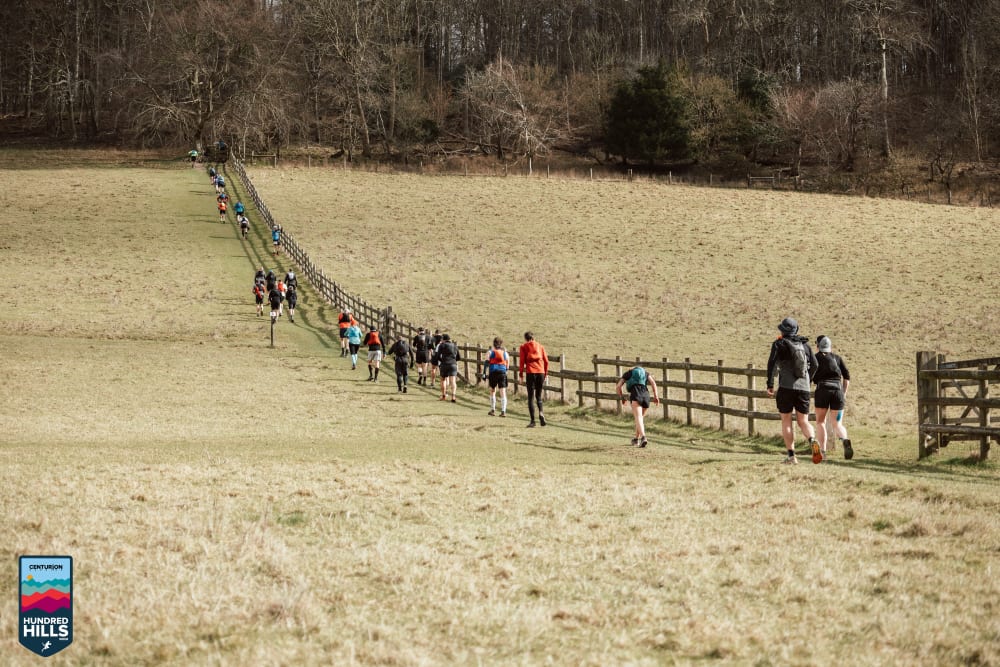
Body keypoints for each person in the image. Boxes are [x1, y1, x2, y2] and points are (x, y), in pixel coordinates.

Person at [766, 317, 818, 464]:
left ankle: (791, 456)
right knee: (803, 421)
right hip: (804, 388)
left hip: (786, 387)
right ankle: (813, 441)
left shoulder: (779, 344)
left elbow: (771, 364)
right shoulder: (805, 345)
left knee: (786, 421)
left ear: (783, 330)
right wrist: (808, 380)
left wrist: (770, 384)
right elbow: (815, 365)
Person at [813, 335, 853, 461]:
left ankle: (823, 452)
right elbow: (847, 376)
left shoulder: (815, 358)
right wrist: (844, 393)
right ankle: (845, 440)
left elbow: (809, 375)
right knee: (837, 423)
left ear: (818, 346)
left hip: (822, 390)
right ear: (830, 346)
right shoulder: (837, 358)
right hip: (837, 391)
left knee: (820, 422)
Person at [616, 366, 660, 447]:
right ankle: (636, 439)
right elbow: (653, 383)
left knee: (638, 418)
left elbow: (618, 386)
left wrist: (622, 397)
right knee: (640, 419)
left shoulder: (628, 373)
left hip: (636, 394)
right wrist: (656, 396)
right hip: (646, 395)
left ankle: (643, 437)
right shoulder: (645, 373)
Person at [518, 331, 549, 427]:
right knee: (538, 396)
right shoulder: (540, 346)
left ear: (525, 338)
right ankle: (541, 412)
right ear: (533, 337)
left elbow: (522, 362)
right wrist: (545, 374)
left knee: (531, 397)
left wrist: (521, 375)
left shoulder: (523, 347)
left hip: (531, 373)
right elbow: (546, 361)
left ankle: (533, 421)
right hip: (540, 372)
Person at [482, 337, 510, 416]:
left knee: (492, 391)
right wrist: (505, 371)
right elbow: (507, 365)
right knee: (503, 392)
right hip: (502, 373)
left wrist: (484, 374)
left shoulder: (490, 352)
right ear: (501, 344)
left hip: (493, 372)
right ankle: (503, 411)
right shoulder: (505, 353)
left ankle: (492, 410)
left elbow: (486, 363)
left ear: (493, 343)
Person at [434, 333, 461, 402]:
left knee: (443, 380)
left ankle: (443, 395)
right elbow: (459, 357)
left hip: (444, 364)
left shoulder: (442, 345)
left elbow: (437, 356)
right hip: (453, 364)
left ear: (443, 339)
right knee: (453, 381)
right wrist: (453, 360)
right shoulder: (455, 345)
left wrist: (442, 360)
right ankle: (453, 396)